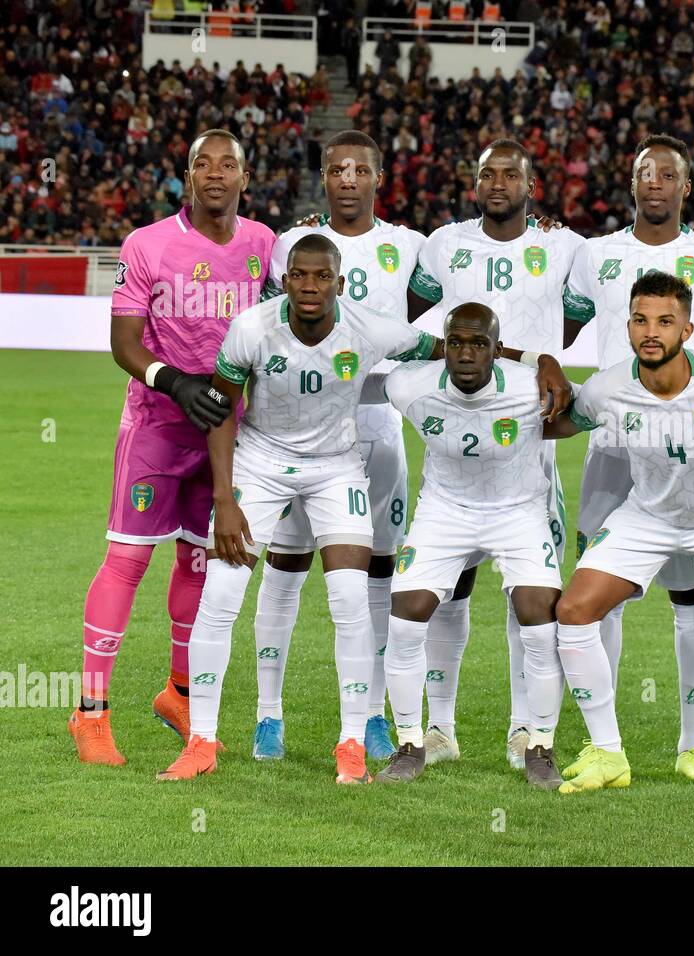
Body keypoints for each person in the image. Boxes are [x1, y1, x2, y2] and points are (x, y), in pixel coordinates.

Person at [156, 234, 438, 783]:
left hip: (337, 466)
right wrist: (223, 497)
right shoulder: (252, 328)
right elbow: (220, 409)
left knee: (352, 597)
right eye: (300, 276)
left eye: (322, 276)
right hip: (260, 463)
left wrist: (530, 359)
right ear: (285, 280)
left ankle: (351, 742)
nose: (310, 286)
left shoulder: (370, 327)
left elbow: (443, 347)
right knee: (220, 595)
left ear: (338, 280)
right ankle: (201, 742)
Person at [70, 130, 274, 767]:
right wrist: (174, 381)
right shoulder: (147, 243)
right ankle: (91, 711)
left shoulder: (265, 245)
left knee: (197, 563)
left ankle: (180, 693)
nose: (215, 174)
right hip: (157, 427)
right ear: (187, 176)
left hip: (226, 433)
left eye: (228, 164)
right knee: (127, 560)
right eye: (202, 164)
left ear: (245, 177)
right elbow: (123, 343)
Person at [547, 272, 694, 799]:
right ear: (628, 326)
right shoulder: (608, 387)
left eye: (664, 321)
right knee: (573, 612)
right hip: (648, 517)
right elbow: (561, 421)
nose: (650, 332)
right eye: (640, 320)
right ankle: (609, 752)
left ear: (687, 328)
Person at [561, 134, 694, 783]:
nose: (657, 182)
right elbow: (558, 327)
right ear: (632, 183)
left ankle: (692, 746)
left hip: (688, 456)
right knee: (596, 597)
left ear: (687, 187)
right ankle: (605, 745)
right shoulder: (594, 254)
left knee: (689, 597)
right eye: (646, 173)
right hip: (612, 447)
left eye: (669, 173)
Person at [250, 131, 430, 763]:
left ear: (379, 177)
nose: (348, 179)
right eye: (336, 170)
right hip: (302, 426)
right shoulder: (289, 246)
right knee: (287, 563)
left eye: (360, 170)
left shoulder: (410, 247)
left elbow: (418, 318)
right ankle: (268, 715)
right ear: (323, 177)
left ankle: (372, 712)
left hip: (378, 426)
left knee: (375, 569)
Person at [406, 139, 582, 770]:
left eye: (512, 174)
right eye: (488, 174)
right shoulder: (443, 244)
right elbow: (410, 317)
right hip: (458, 430)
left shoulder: (565, 246)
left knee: (527, 595)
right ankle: (440, 728)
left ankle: (522, 729)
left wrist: (540, 362)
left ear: (531, 185)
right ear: (474, 183)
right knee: (449, 589)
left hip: (528, 443)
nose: (499, 182)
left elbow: (586, 312)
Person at [376, 304, 565, 789]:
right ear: (444, 345)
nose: (465, 353)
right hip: (445, 511)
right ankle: (411, 743)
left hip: (517, 510)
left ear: (498, 352)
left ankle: (539, 745)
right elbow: (367, 372)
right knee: (404, 618)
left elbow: (581, 415)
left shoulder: (529, 389)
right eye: (455, 342)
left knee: (540, 622)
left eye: (478, 344)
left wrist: (545, 360)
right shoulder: (410, 385)